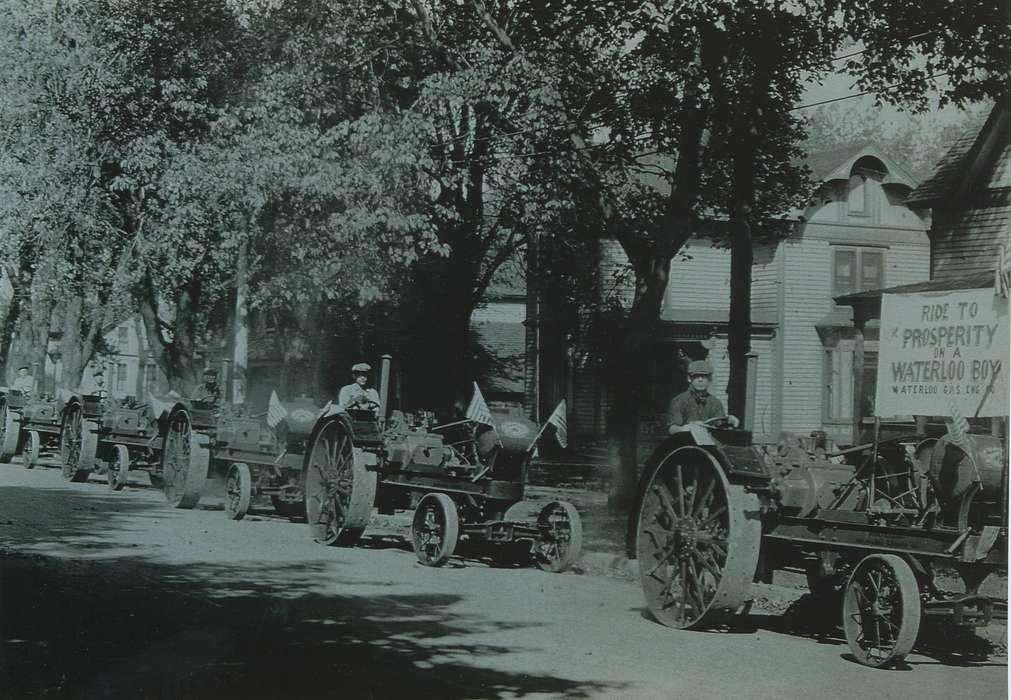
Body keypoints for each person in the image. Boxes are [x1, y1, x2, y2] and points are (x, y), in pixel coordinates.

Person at [666, 360, 739, 434]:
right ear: (689, 378)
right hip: (686, 441)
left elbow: (719, 425)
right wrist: (686, 428)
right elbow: (672, 429)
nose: (700, 380)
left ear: (710, 379)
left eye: (704, 376)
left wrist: (729, 420)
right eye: (696, 376)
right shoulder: (679, 401)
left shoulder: (715, 403)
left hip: (710, 441)